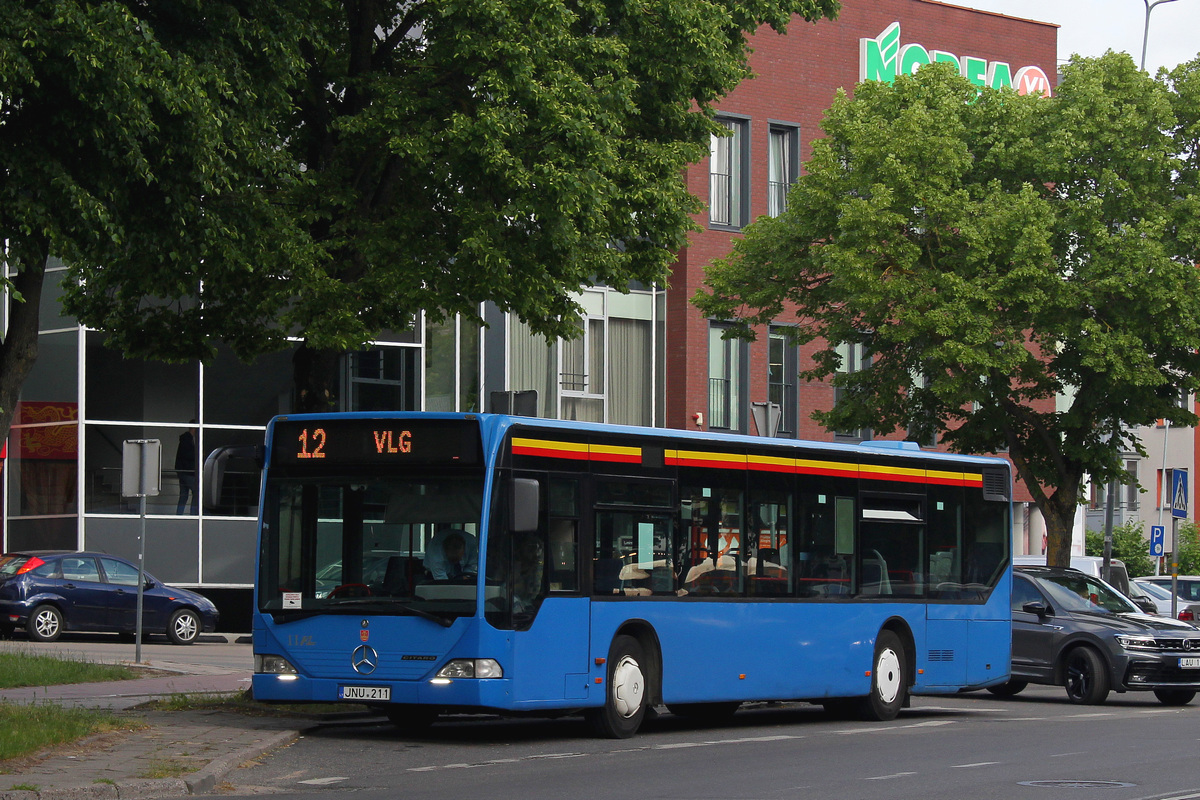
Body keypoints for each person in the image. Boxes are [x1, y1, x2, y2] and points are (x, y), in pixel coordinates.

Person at [175, 421, 198, 515]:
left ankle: (179, 514)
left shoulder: (185, 439)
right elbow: (187, 455)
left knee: (184, 495)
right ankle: (193, 514)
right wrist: (198, 454)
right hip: (188, 472)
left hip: (182, 472)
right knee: (196, 492)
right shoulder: (188, 440)